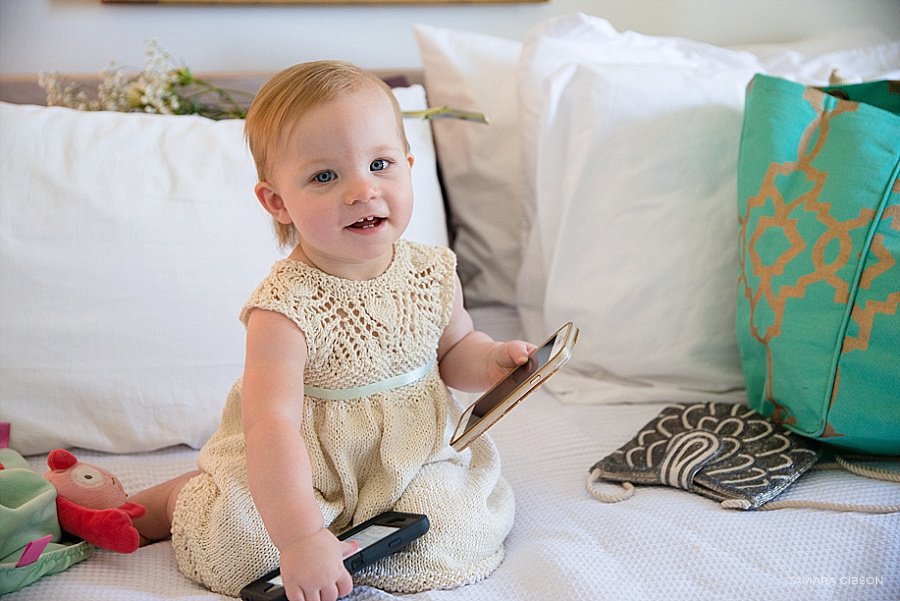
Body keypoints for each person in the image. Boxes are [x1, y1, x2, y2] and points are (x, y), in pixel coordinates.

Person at [131, 60, 533, 601]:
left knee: (456, 527)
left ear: (409, 168)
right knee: (245, 548)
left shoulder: (432, 271)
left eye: (381, 163)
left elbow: (454, 349)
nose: (361, 190)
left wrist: (494, 362)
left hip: (408, 461)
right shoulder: (282, 309)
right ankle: (181, 500)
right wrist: (298, 538)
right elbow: (270, 428)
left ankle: (342, 541)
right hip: (303, 472)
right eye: (325, 176)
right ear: (277, 201)